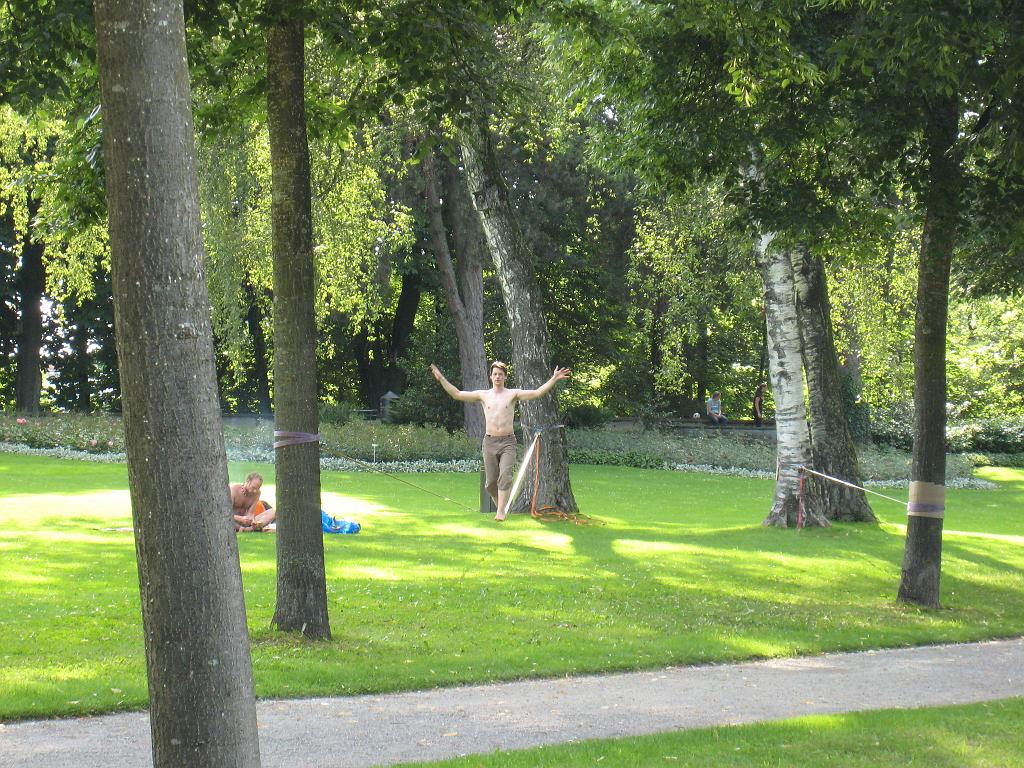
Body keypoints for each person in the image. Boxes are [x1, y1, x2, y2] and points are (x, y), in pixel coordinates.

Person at [431, 360, 571, 522]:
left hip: (507, 442)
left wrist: (554, 378)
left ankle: (501, 511)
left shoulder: (512, 394)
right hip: (489, 442)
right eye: (495, 374)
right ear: (491, 377)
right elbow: (457, 394)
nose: (497, 377)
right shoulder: (483, 395)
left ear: (505, 377)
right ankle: (501, 507)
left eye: (500, 374)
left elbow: (537, 393)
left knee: (505, 475)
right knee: (490, 483)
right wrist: (441, 378)